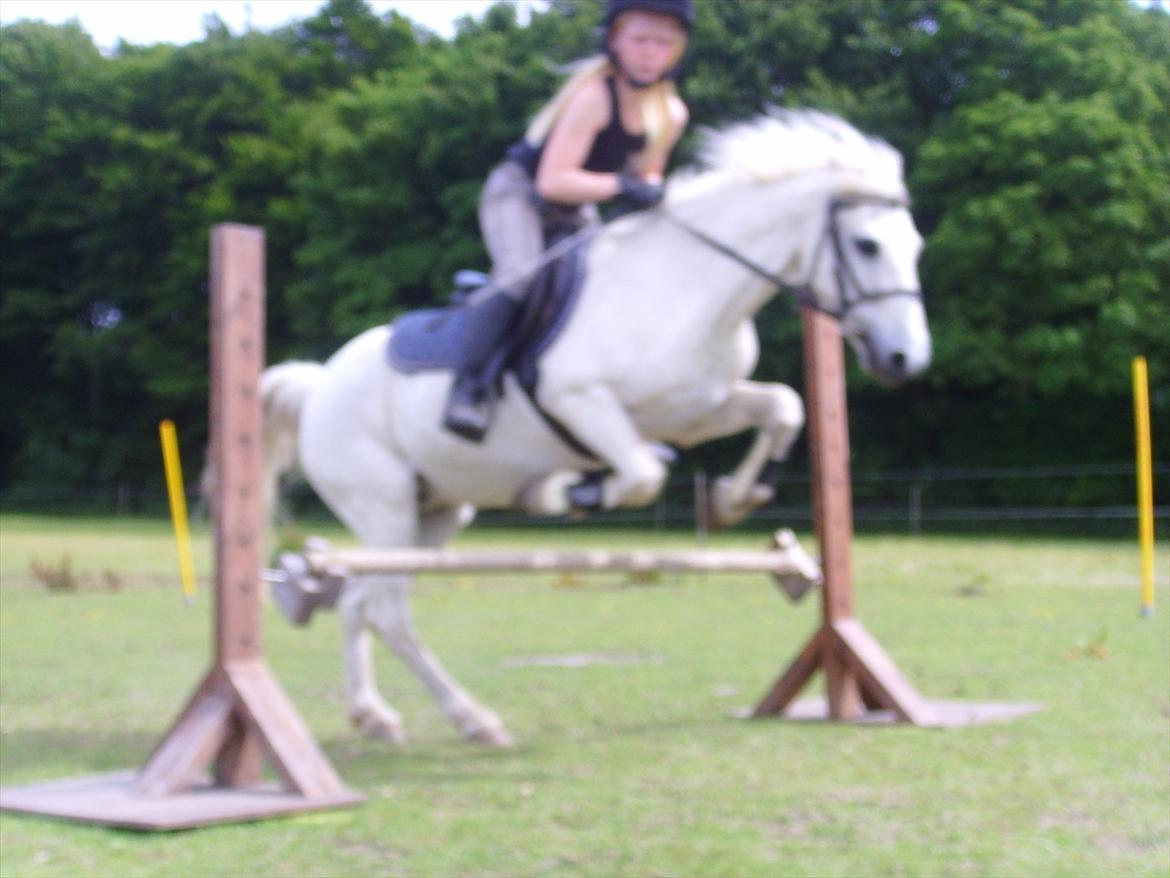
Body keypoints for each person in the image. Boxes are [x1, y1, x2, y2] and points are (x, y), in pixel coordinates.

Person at [442, 0, 693, 442]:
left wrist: (648, 190)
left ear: (676, 49)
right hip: (518, 194)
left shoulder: (670, 113)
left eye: (663, 42)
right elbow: (554, 181)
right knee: (521, 276)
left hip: (577, 205)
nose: (650, 52)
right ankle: (469, 388)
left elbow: (648, 172)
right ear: (615, 39)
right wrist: (622, 186)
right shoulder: (594, 96)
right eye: (640, 39)